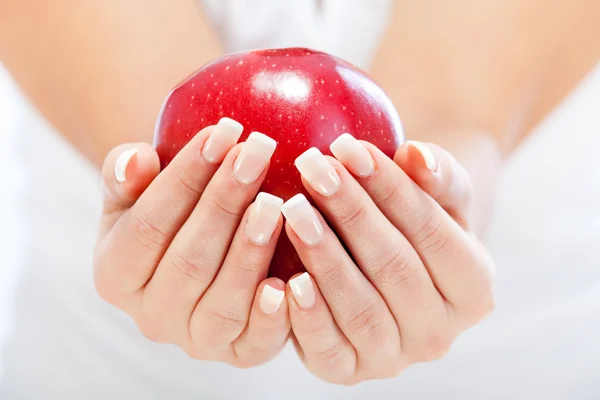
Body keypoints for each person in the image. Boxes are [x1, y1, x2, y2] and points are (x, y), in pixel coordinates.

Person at [0, 0, 598, 398]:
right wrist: (159, 194)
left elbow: (457, 97)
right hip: (108, 371)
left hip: (520, 363)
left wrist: (439, 178)